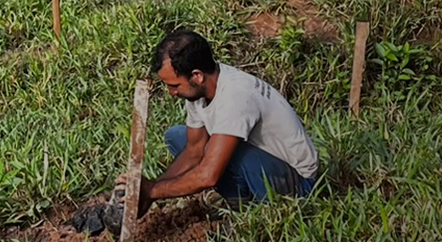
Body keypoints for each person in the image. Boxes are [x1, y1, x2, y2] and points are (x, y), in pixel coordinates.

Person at [125, 30, 319, 217]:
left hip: (298, 182)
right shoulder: (199, 90)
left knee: (228, 152)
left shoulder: (236, 95)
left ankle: (268, 211)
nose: (171, 93)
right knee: (177, 136)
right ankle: (240, 205)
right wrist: (148, 194)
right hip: (261, 164)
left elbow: (208, 175)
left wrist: (153, 191)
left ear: (197, 75)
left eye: (175, 85)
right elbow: (194, 151)